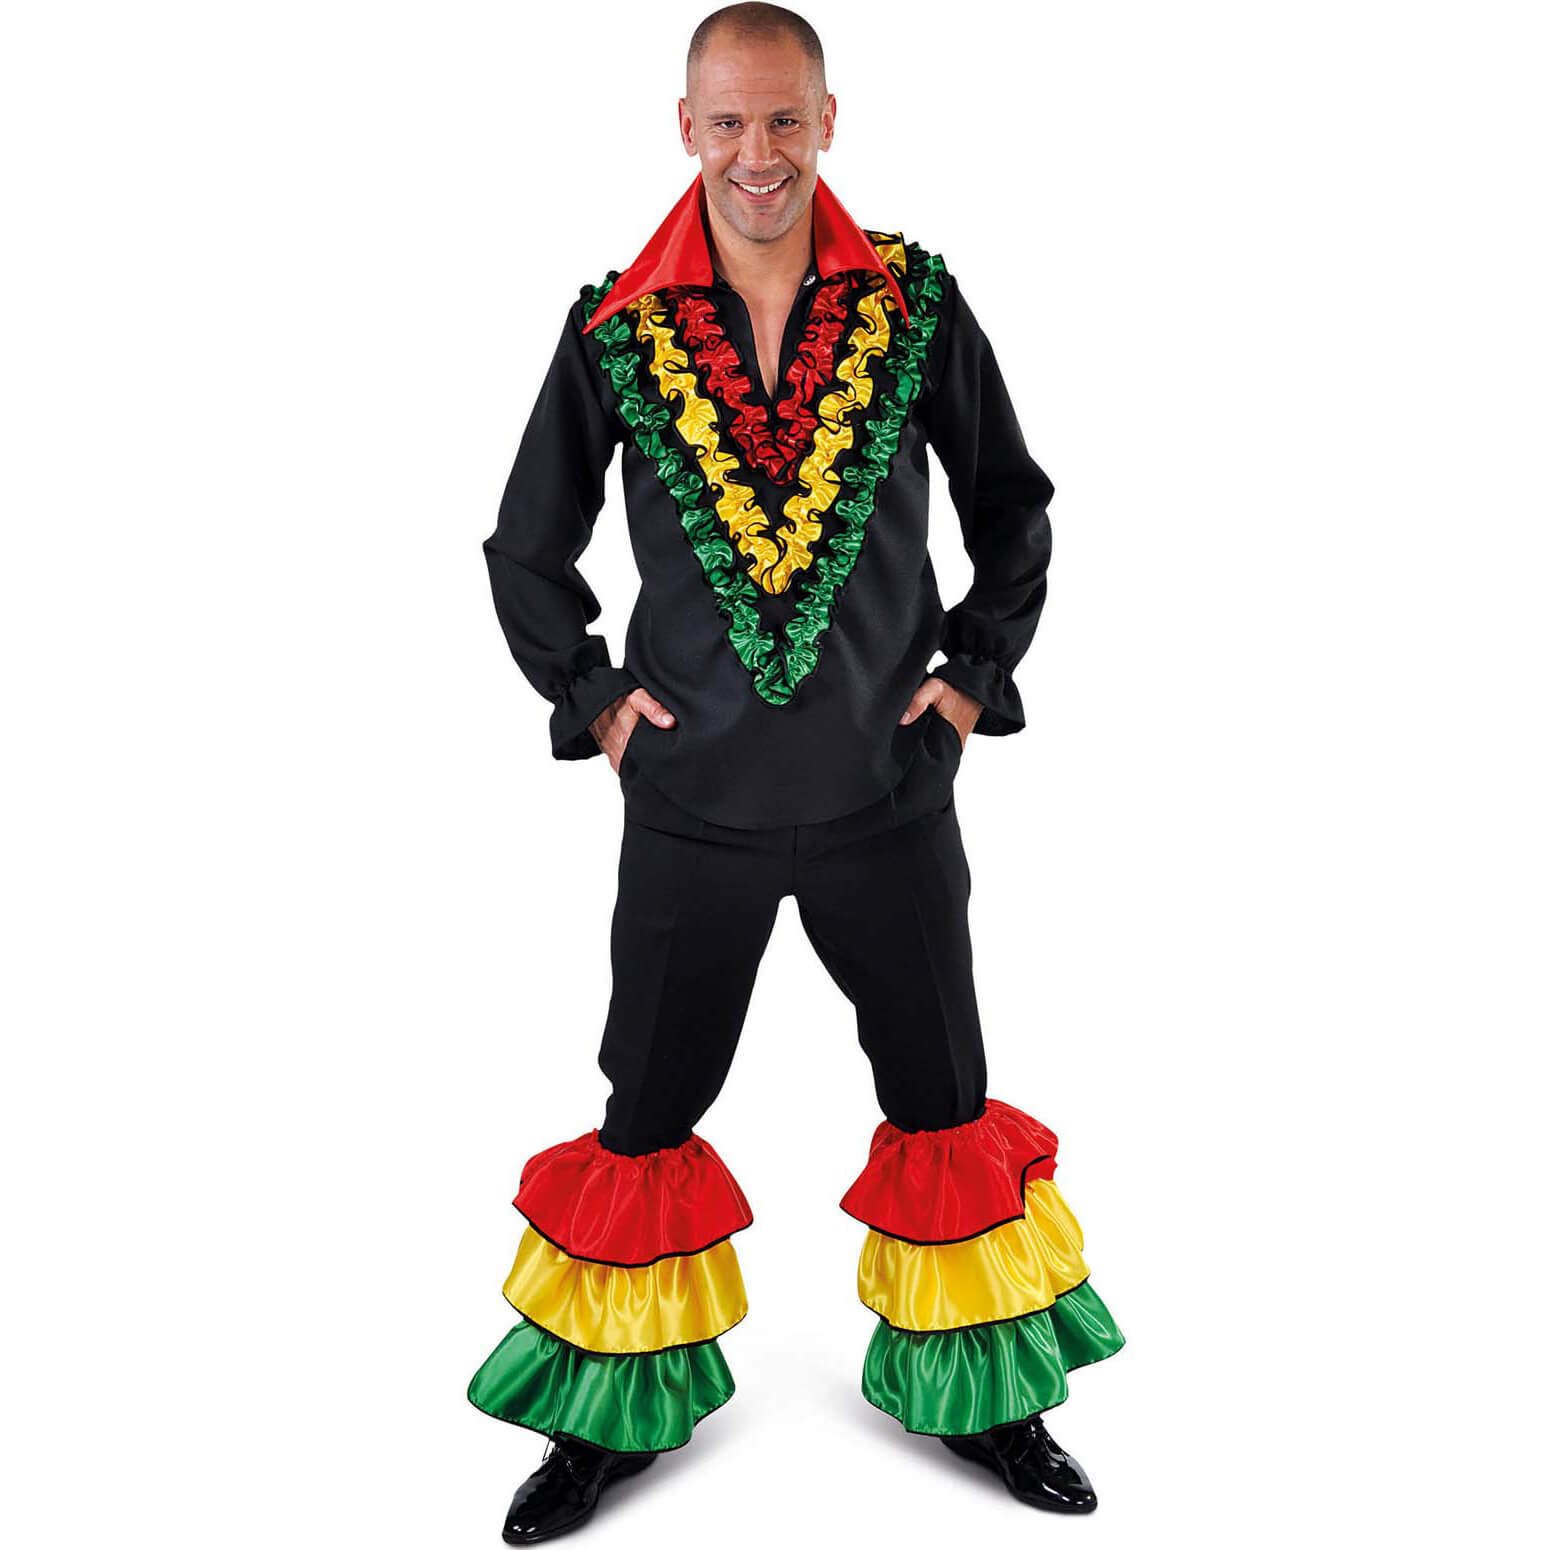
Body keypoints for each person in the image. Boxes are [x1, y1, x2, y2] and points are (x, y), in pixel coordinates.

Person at [469, 4, 1124, 1540]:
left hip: (886, 794)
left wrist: (969, 677)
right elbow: (524, 547)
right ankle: (604, 1423)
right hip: (688, 804)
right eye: (727, 123)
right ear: (683, 129)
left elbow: (1013, 506)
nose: (755, 153)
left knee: (941, 1095)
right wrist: (597, 700)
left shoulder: (912, 303)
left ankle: (986, 1400)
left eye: (782, 119)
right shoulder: (616, 329)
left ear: (829, 118)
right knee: (645, 1106)